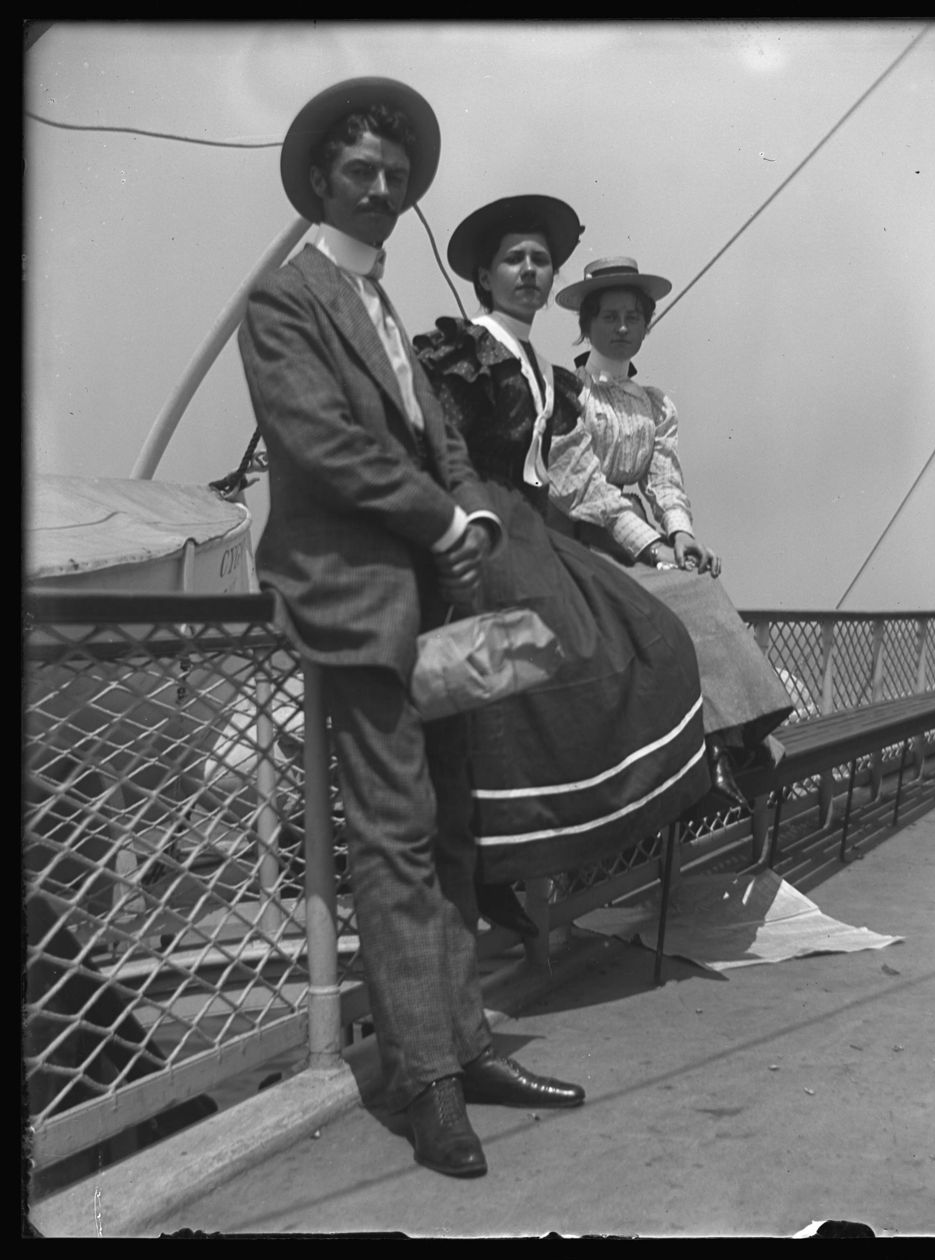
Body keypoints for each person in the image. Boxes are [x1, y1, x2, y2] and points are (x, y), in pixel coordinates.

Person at [237, 79, 585, 1181]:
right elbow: (320, 443)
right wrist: (444, 515)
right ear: (319, 182)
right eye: (361, 174)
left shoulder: (380, 297)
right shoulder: (286, 300)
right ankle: (426, 1083)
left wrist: (469, 504)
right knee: (392, 843)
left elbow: (432, 431)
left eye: (395, 173)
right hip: (355, 603)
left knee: (449, 835)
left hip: (438, 600)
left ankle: (467, 1045)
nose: (383, 188)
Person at [413, 198, 711, 922]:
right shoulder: (466, 349)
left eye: (540, 260)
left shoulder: (548, 375)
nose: (528, 271)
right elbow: (435, 452)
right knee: (523, 662)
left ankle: (552, 851)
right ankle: (490, 862)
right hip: (479, 532)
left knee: (654, 634)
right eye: (514, 259)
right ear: (485, 275)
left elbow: (572, 474)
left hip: (532, 528)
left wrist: (658, 540)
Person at [547, 257, 793, 800]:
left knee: (700, 583)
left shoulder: (655, 404)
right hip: (579, 537)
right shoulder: (567, 391)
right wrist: (653, 546)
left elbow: (664, 480)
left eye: (633, 316)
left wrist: (680, 535)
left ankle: (732, 743)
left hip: (639, 538)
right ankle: (709, 751)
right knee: (670, 601)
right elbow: (583, 487)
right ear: (586, 325)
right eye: (608, 316)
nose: (621, 327)